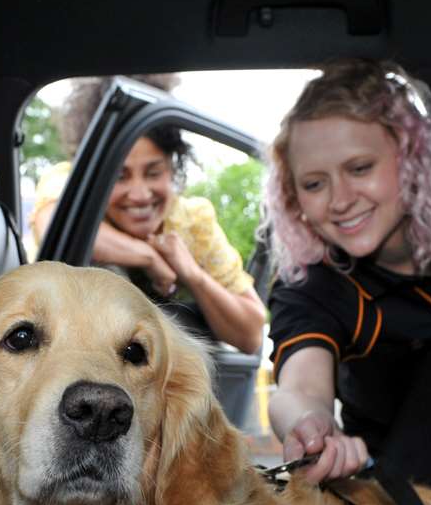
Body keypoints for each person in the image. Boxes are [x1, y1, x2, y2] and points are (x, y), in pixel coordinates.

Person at [262, 59, 431, 484]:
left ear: (411, 159)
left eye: (360, 168)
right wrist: (310, 427)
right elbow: (299, 388)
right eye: (314, 184)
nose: (341, 199)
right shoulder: (311, 284)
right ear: (294, 199)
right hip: (410, 485)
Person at [30, 76, 267, 354]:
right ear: (98, 172)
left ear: (173, 169)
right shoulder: (74, 182)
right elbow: (53, 225)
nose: (140, 194)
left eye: (154, 173)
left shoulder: (193, 221)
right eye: (120, 176)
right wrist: (149, 256)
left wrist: (190, 273)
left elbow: (252, 335)